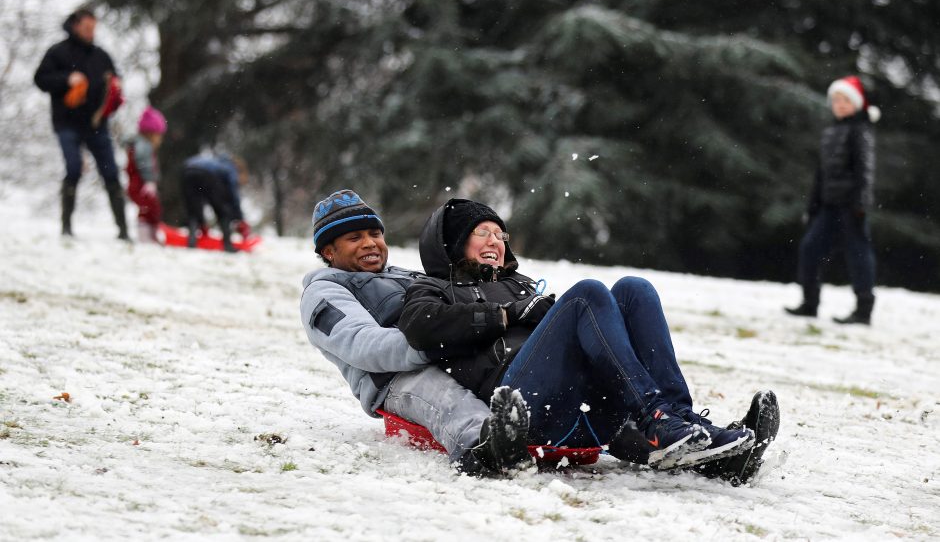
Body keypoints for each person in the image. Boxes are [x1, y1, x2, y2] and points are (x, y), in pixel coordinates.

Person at [400, 199, 766, 473]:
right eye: (483, 232)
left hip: (590, 414)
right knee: (587, 293)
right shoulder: (431, 288)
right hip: (526, 411)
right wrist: (505, 315)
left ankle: (678, 421)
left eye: (500, 233)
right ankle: (656, 417)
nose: (495, 239)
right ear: (453, 242)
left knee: (633, 289)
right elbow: (419, 326)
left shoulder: (521, 286)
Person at [299, 190, 531, 476]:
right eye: (354, 238)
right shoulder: (324, 293)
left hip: (448, 352)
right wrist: (435, 342)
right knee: (443, 396)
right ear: (329, 251)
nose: (370, 243)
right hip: (393, 378)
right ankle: (482, 446)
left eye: (375, 233)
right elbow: (362, 344)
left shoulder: (407, 275)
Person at [786, 75, 879, 325]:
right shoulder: (830, 131)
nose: (839, 104)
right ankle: (809, 304)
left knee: (858, 254)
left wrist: (861, 203)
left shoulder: (861, 130)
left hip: (851, 206)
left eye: (845, 99)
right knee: (809, 248)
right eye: (836, 100)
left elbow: (865, 170)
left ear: (856, 103)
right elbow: (821, 173)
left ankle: (863, 309)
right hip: (828, 205)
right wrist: (813, 205)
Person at [34, 8, 128, 240]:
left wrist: (115, 86)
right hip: (67, 123)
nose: (90, 32)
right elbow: (40, 79)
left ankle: (124, 231)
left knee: (111, 172)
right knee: (74, 168)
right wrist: (66, 79)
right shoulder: (57, 53)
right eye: (86, 27)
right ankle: (66, 227)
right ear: (75, 26)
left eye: (93, 28)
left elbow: (115, 79)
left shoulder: (101, 56)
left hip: (97, 124)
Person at [180, 153, 251, 253]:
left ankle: (191, 242)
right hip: (206, 175)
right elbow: (233, 194)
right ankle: (228, 245)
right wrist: (240, 218)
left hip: (188, 172)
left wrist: (201, 221)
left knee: (193, 210)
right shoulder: (230, 167)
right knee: (222, 210)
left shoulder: (215, 162)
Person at [125, 106, 167, 244]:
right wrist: (149, 181)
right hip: (141, 185)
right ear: (150, 134)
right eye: (159, 136)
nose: (160, 140)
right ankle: (147, 237)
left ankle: (151, 235)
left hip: (138, 185)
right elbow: (145, 165)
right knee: (150, 209)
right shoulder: (143, 146)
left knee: (150, 209)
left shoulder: (138, 145)